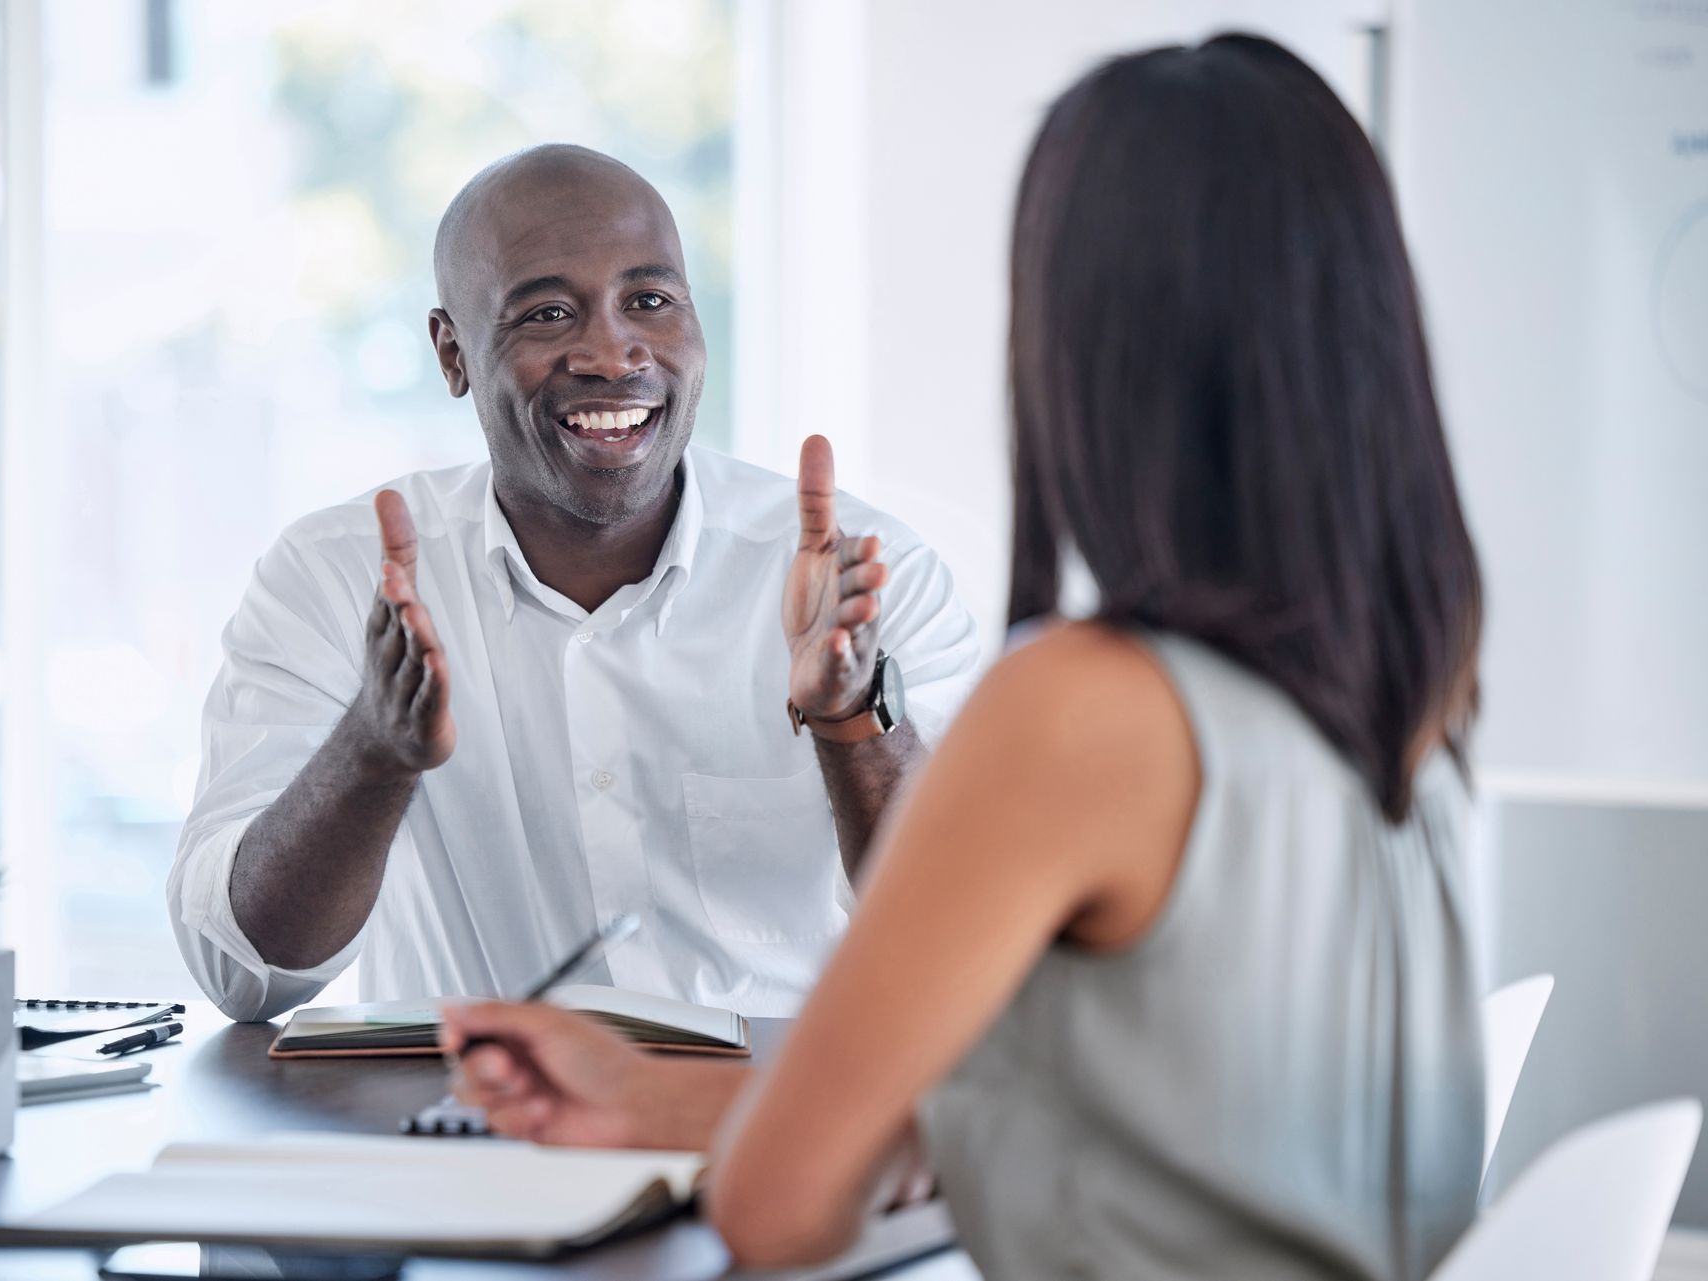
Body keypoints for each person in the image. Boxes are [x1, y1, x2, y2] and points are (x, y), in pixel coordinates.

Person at [443, 35, 1488, 1281]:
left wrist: (765, 1133)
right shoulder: (1409, 685)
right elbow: (1156, 1135)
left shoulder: (1084, 710)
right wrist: (662, 1101)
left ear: (1082, 342)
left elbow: (781, 1216)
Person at [167, 145, 980, 1023]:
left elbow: (972, 938)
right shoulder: (334, 579)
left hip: (774, 1130)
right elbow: (244, 969)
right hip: (466, 1135)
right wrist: (375, 747)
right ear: (453, 353)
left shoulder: (865, 577)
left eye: (650, 301)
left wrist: (852, 718)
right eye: (548, 313)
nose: (609, 352)